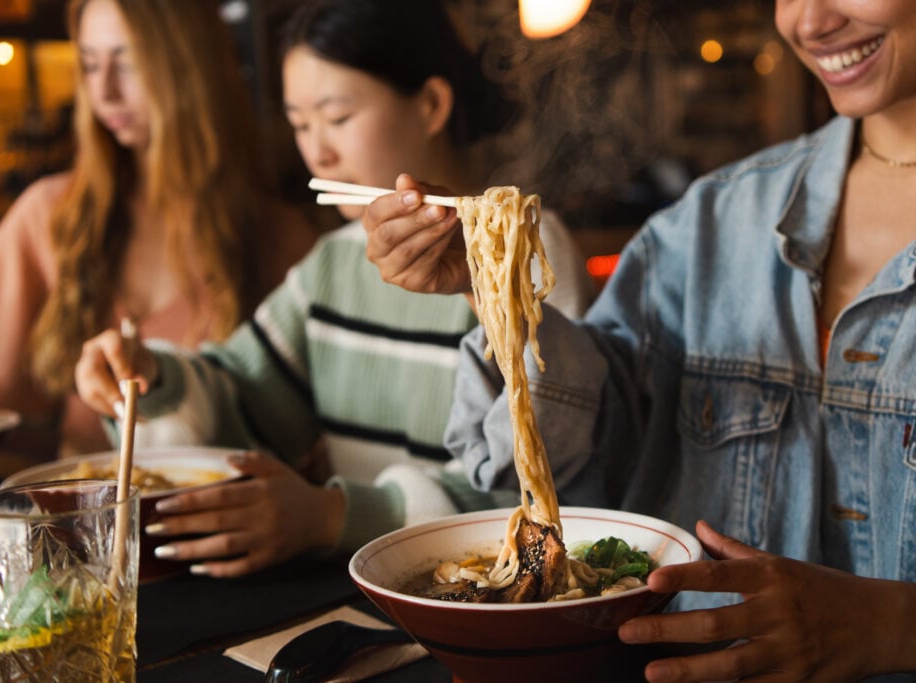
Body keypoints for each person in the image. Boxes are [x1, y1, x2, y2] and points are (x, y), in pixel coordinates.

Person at [361, 1, 916, 680]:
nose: (809, 21)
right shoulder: (713, 221)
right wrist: (487, 281)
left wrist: (891, 624)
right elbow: (610, 446)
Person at [74, 0, 596, 578]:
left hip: (495, 597)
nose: (317, 151)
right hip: (359, 594)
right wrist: (152, 378)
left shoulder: (525, 250)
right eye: (300, 124)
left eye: (337, 117)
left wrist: (333, 515)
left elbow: (556, 474)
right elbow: (241, 406)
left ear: (431, 105)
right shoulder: (334, 264)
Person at [0, 0, 316, 458]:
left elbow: (313, 440)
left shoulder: (279, 236)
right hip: (79, 523)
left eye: (127, 62)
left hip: (224, 522)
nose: (104, 92)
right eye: (90, 65)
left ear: (192, 64)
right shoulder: (54, 214)